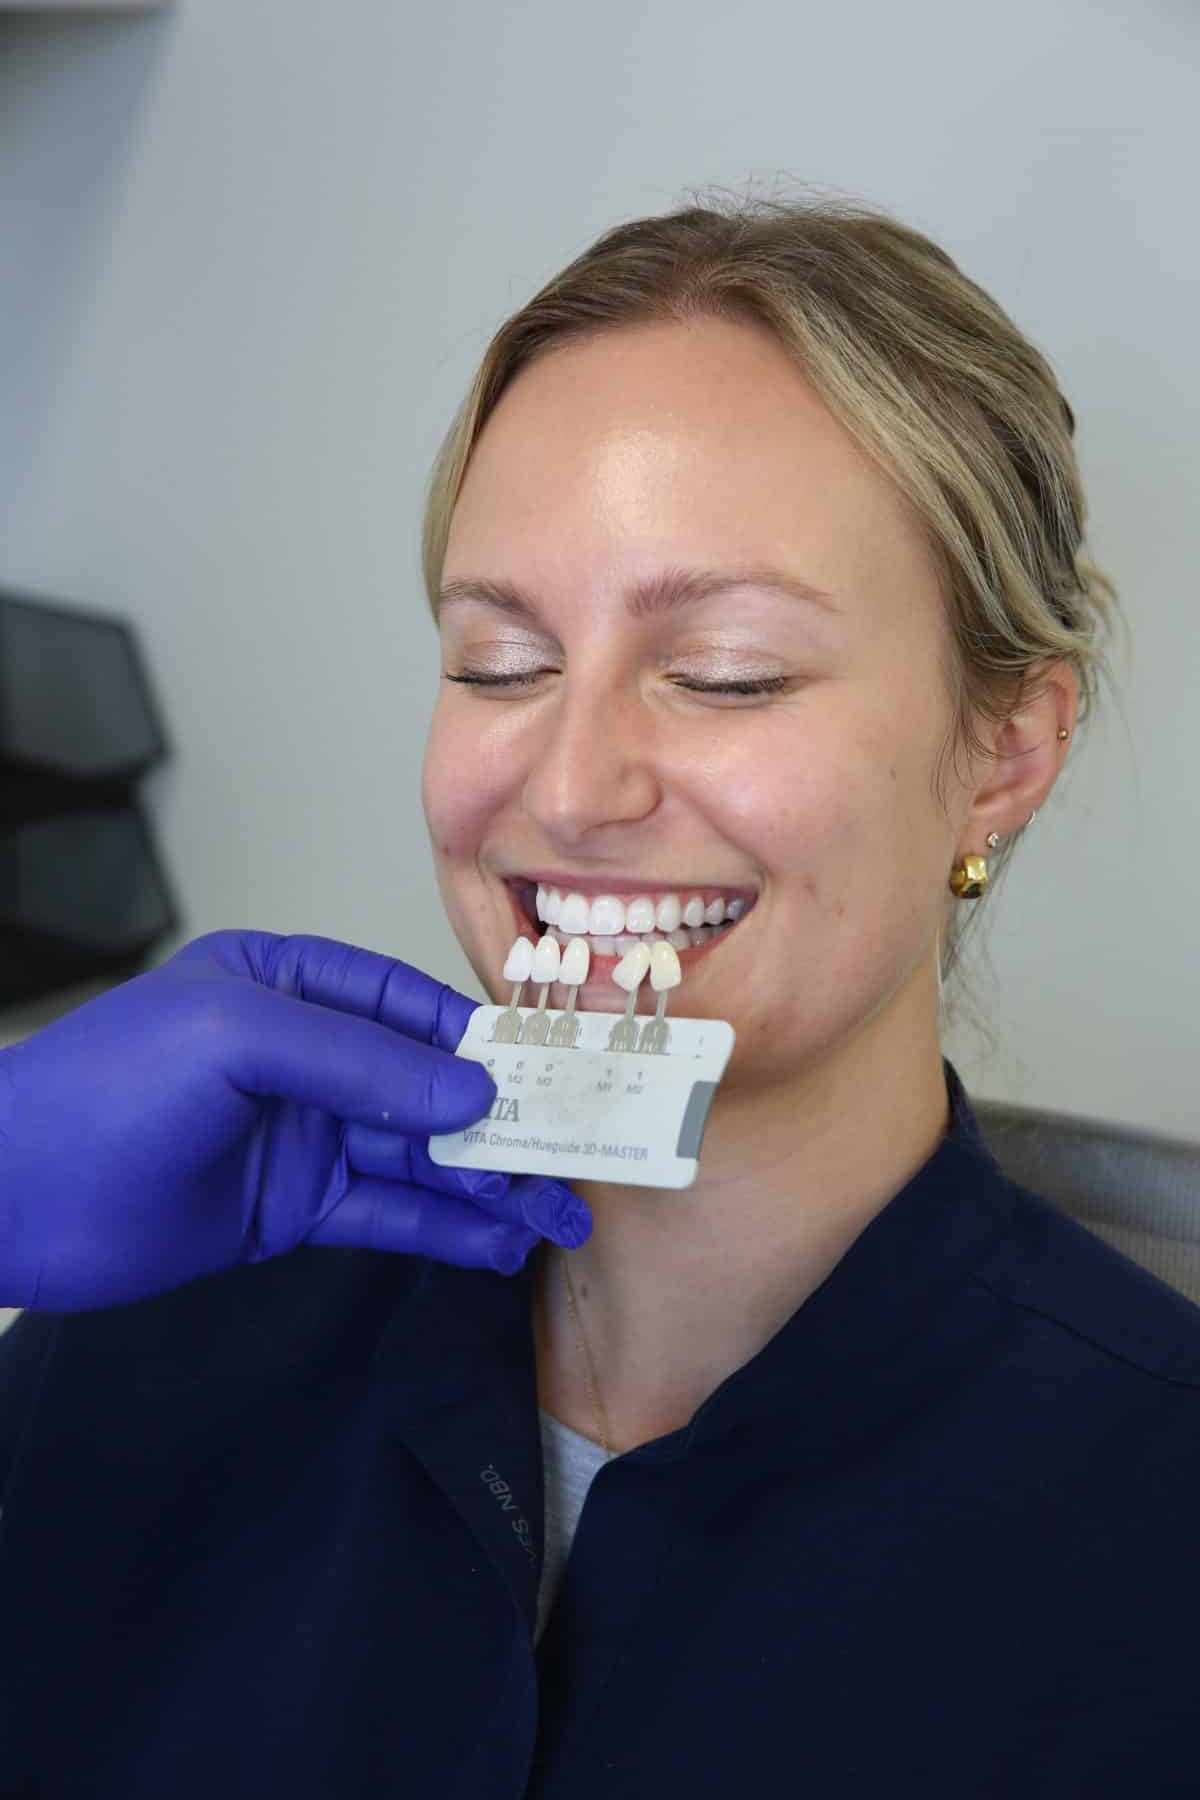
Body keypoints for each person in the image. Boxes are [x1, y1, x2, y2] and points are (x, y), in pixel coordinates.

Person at [2, 191, 1198, 1798]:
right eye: (498, 662)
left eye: (727, 673)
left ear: (1006, 754)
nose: (567, 786)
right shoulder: (156, 1327)